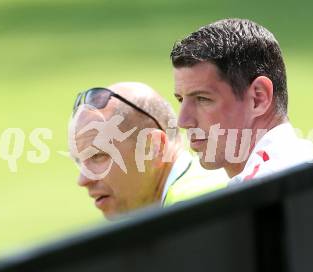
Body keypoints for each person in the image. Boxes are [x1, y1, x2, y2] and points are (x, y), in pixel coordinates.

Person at [170, 18, 313, 184]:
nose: (183, 121)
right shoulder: (303, 161)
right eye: (181, 99)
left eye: (202, 98)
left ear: (258, 98)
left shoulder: (259, 190)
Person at [68, 82, 229, 220]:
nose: (83, 180)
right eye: (79, 161)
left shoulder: (189, 211)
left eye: (98, 156)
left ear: (154, 148)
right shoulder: (208, 184)